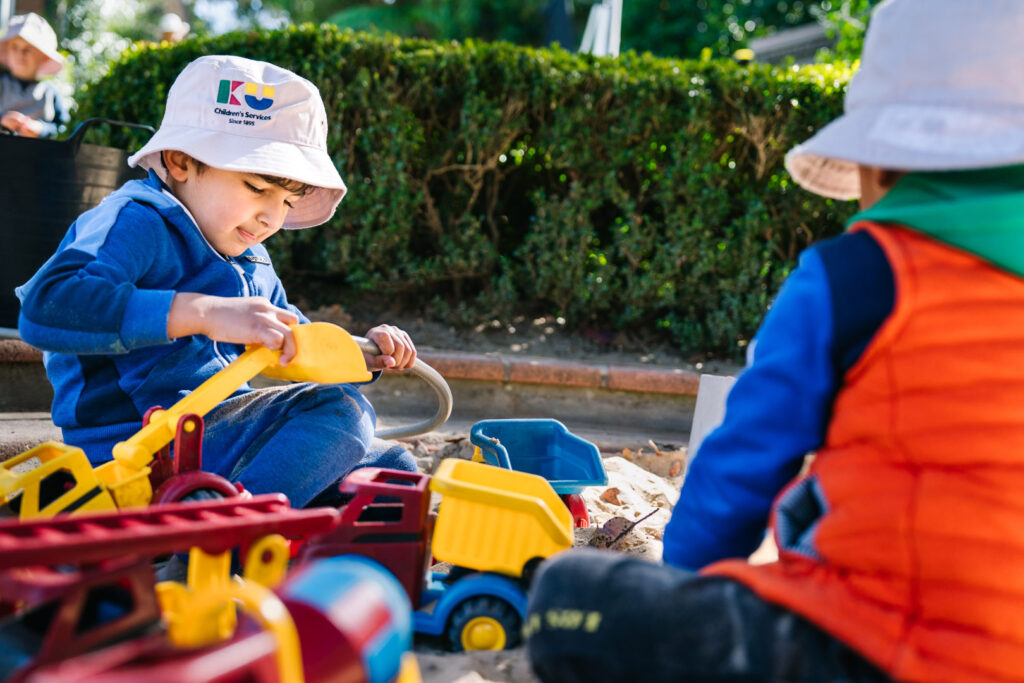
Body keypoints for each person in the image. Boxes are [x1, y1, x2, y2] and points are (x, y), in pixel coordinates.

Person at [525, 0, 1024, 680]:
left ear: (880, 169)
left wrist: (687, 581)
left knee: (567, 598)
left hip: (873, 648)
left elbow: (740, 468)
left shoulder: (857, 278)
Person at [16, 55, 418, 508]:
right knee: (340, 412)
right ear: (182, 160)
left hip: (210, 432)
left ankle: (280, 555)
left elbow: (294, 341)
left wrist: (365, 350)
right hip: (138, 447)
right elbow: (46, 305)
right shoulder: (137, 221)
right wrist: (203, 314)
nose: (272, 217)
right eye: (257, 187)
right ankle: (211, 544)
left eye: (287, 201)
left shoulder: (249, 256)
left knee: (392, 472)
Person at [0, 12, 69, 138]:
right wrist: (2, 121)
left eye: (27, 49)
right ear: (6, 51)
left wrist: (42, 129)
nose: (20, 54)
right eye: (14, 47)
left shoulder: (50, 93)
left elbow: (62, 127)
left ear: (43, 57)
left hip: (36, 156)